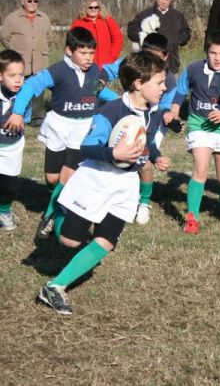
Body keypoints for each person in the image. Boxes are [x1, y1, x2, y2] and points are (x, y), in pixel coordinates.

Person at [37, 51, 171, 315]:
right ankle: (58, 209)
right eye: (159, 82)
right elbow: (86, 147)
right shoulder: (109, 111)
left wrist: (155, 156)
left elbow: (149, 140)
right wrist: (114, 154)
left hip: (125, 185)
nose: (165, 87)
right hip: (95, 180)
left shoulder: (153, 112)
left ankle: (55, 287)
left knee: (106, 241)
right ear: (138, 84)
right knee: (70, 241)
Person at [5, 27, 118, 240]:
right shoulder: (57, 71)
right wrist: (18, 113)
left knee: (67, 176)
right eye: (82, 53)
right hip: (58, 126)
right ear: (69, 50)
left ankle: (50, 215)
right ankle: (59, 198)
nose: (88, 58)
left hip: (83, 129)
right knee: (52, 178)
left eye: (91, 53)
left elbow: (96, 90)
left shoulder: (95, 71)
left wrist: (119, 101)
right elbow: (29, 86)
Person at [171, 31, 220, 234]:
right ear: (207, 52)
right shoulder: (195, 69)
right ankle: (192, 218)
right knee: (201, 170)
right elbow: (180, 91)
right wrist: (174, 110)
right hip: (199, 125)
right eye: (213, 52)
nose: (217, 58)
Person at [99, 33, 179, 225]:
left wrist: (170, 117)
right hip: (124, 119)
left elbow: (164, 109)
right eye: (146, 54)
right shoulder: (132, 64)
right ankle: (113, 198)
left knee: (143, 163)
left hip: (150, 123)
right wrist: (114, 99)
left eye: (156, 56)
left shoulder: (169, 80)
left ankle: (144, 203)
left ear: (165, 56)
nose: (150, 60)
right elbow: (100, 77)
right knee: (116, 159)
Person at [0, 0, 53, 124]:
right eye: (29, 0)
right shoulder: (12, 18)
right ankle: (15, 114)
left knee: (38, 91)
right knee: (17, 88)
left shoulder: (44, 17)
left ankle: (38, 118)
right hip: (20, 61)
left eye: (35, 1)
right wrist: (16, 51)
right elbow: (5, 38)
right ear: (22, 1)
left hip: (39, 60)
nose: (33, 3)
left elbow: (49, 38)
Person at [127, 0, 191, 74]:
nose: (164, 2)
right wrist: (141, 36)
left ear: (170, 0)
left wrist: (178, 40)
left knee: (171, 86)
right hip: (149, 65)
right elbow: (131, 30)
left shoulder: (178, 16)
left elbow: (186, 31)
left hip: (171, 63)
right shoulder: (145, 14)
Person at [0, 50, 29, 231]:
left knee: (9, 187)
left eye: (21, 75)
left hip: (12, 147)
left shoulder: (25, 95)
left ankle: (4, 210)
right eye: (12, 75)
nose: (18, 80)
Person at [70, 0, 123, 70]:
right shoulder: (78, 23)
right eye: (90, 7)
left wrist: (112, 56)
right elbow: (72, 42)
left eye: (96, 7)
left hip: (107, 65)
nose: (93, 9)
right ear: (85, 8)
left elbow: (118, 38)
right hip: (85, 65)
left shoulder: (107, 20)